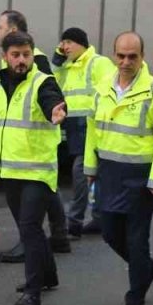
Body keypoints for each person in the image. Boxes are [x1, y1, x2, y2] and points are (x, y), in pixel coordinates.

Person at [86, 31, 153, 305]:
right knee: (110, 233)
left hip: (141, 179)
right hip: (109, 174)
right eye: (121, 56)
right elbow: (92, 130)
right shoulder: (102, 88)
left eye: (132, 56)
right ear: (114, 55)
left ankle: (135, 298)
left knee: (137, 241)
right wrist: (90, 168)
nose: (126, 62)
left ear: (142, 56)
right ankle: (146, 268)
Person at [0, 31, 67, 305]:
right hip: (10, 169)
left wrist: (56, 110)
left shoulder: (43, 82)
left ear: (33, 55)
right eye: (16, 55)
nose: (21, 60)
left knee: (30, 228)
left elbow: (52, 101)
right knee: (26, 226)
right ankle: (49, 276)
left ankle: (33, 292)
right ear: (5, 56)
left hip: (38, 172)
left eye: (26, 55)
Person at [0, 10, 69, 261]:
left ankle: (49, 239)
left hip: (36, 145)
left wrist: (54, 109)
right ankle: (58, 236)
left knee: (38, 203)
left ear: (13, 31)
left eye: (0, 27)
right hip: (22, 149)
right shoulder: (11, 61)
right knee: (47, 192)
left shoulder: (36, 61)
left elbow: (48, 91)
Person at [51, 27, 115, 240]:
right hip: (73, 126)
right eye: (63, 43)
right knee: (92, 174)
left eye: (69, 42)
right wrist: (58, 61)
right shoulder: (69, 66)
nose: (65, 47)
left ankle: (74, 223)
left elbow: (108, 92)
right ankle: (98, 219)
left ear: (82, 43)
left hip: (91, 126)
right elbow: (53, 84)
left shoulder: (98, 63)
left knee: (81, 173)